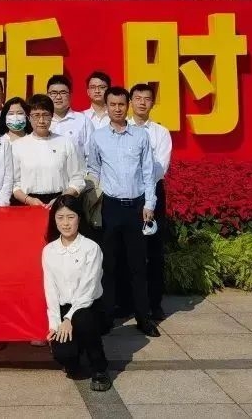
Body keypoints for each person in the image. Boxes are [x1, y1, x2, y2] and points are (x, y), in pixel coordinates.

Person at [85, 87, 158, 337]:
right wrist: (92, 201)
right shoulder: (98, 137)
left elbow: (148, 172)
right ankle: (107, 317)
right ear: (106, 106)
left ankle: (143, 318)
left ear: (128, 106)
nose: (117, 108)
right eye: (112, 104)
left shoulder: (140, 136)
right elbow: (93, 169)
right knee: (109, 265)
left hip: (137, 207)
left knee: (138, 266)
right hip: (110, 207)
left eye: (121, 104)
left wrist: (150, 204)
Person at [42, 194, 111, 392]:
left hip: (89, 307)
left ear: (79, 218)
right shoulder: (49, 250)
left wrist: (68, 318)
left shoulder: (91, 248)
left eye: (70, 217)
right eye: (60, 217)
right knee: (64, 355)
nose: (65, 223)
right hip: (64, 309)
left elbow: (88, 290)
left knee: (83, 320)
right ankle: (76, 353)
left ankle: (99, 367)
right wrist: (55, 324)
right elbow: (50, 289)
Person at [129, 83, 173, 322]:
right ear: (130, 102)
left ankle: (154, 304)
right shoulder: (119, 130)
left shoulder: (160, 133)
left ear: (152, 103)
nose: (142, 102)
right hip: (126, 194)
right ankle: (128, 303)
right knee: (126, 249)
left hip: (152, 193)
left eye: (147, 99)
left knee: (153, 251)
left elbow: (159, 167)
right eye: (137, 98)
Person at [12, 95, 85, 207]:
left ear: (52, 116)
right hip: (27, 203)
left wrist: (60, 199)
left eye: (45, 115)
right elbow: (14, 182)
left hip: (60, 203)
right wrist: (28, 200)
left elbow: (77, 179)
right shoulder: (18, 145)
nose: (41, 121)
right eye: (36, 115)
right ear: (28, 117)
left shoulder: (65, 143)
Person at [47, 75, 93, 161]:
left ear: (70, 95)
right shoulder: (42, 121)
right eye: (53, 93)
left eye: (63, 92)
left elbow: (91, 156)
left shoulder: (83, 121)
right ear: (47, 95)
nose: (58, 97)